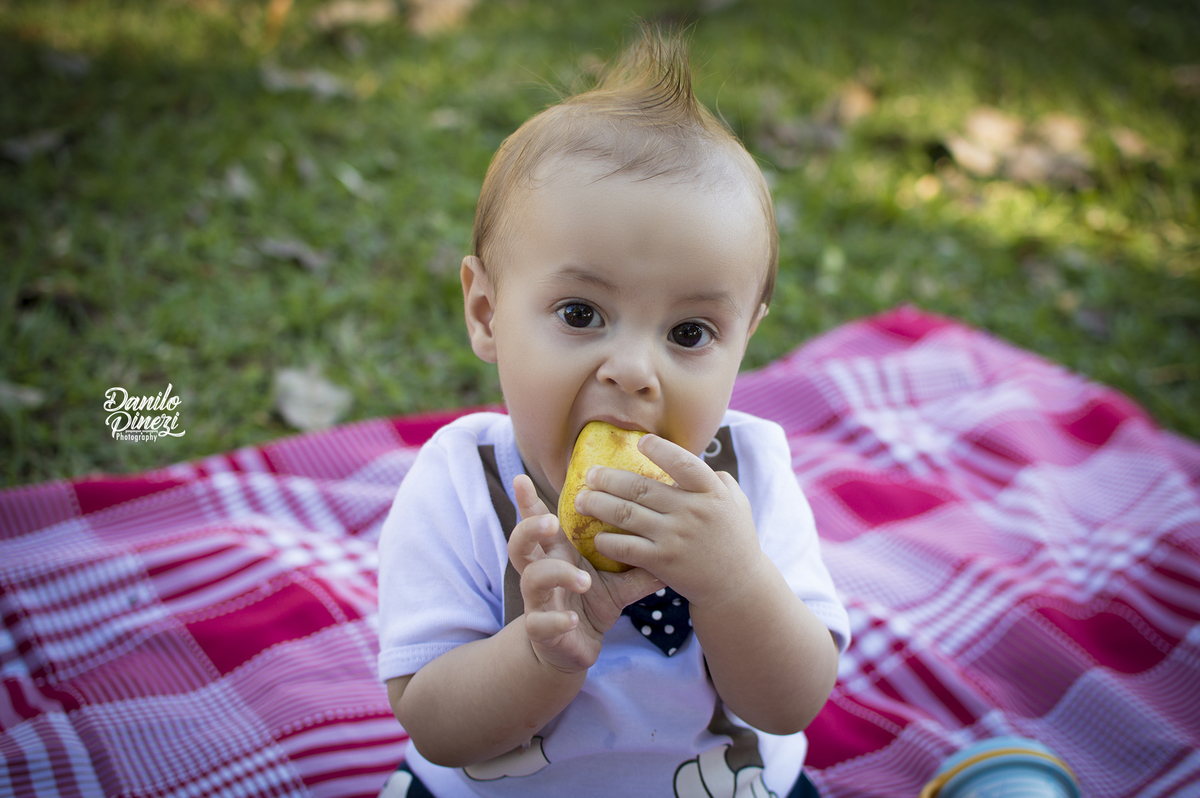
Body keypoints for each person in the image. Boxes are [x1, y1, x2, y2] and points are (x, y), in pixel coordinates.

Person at [376, 25, 850, 798]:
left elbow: (791, 704)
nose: (632, 370)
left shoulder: (748, 478)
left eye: (689, 333)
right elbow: (433, 723)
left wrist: (734, 582)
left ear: (745, 340)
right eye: (581, 313)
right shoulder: (462, 484)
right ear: (488, 313)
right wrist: (541, 654)